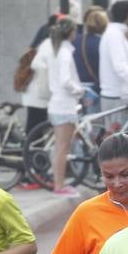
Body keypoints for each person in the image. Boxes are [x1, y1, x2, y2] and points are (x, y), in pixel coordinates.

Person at [45, 16, 85, 196]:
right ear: (70, 33)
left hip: (57, 103)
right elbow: (66, 80)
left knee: (60, 147)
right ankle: (59, 185)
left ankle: (58, 183)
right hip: (64, 104)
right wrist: (80, 90)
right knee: (63, 147)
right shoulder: (65, 53)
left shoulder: (56, 50)